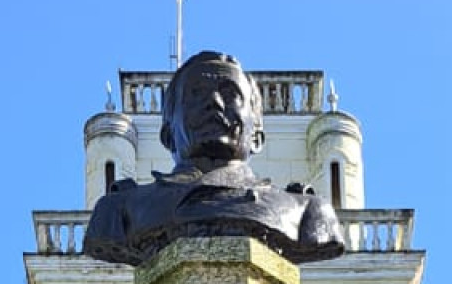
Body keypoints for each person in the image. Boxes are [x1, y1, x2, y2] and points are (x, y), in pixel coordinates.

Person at [82, 50, 347, 264]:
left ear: (257, 137)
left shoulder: (306, 212)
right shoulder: (118, 211)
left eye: (231, 94)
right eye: (196, 94)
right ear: (167, 134)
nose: (215, 103)